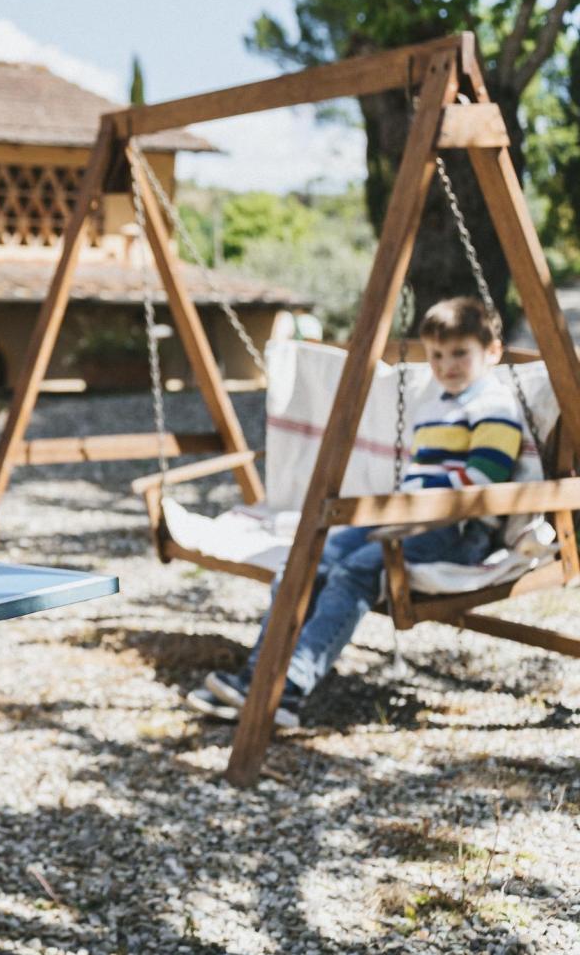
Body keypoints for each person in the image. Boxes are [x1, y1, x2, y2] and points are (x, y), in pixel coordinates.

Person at [187, 296, 524, 728]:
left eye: (460, 353)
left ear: (492, 352)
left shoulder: (494, 406)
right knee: (304, 562)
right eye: (437, 355)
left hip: (457, 530)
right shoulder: (437, 405)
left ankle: (287, 691)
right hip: (406, 519)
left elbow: (483, 481)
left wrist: (411, 507)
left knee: (354, 573)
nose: (447, 365)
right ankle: (255, 679)